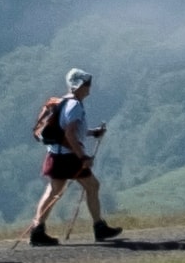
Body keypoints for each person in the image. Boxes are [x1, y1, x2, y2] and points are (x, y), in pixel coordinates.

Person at [26, 67, 123, 245]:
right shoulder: (75, 106)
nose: (89, 88)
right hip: (68, 156)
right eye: (87, 84)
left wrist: (92, 133)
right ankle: (99, 228)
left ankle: (37, 230)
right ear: (78, 85)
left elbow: (70, 131)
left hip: (56, 154)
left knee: (54, 191)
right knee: (92, 186)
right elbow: (70, 134)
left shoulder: (64, 102)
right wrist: (83, 157)